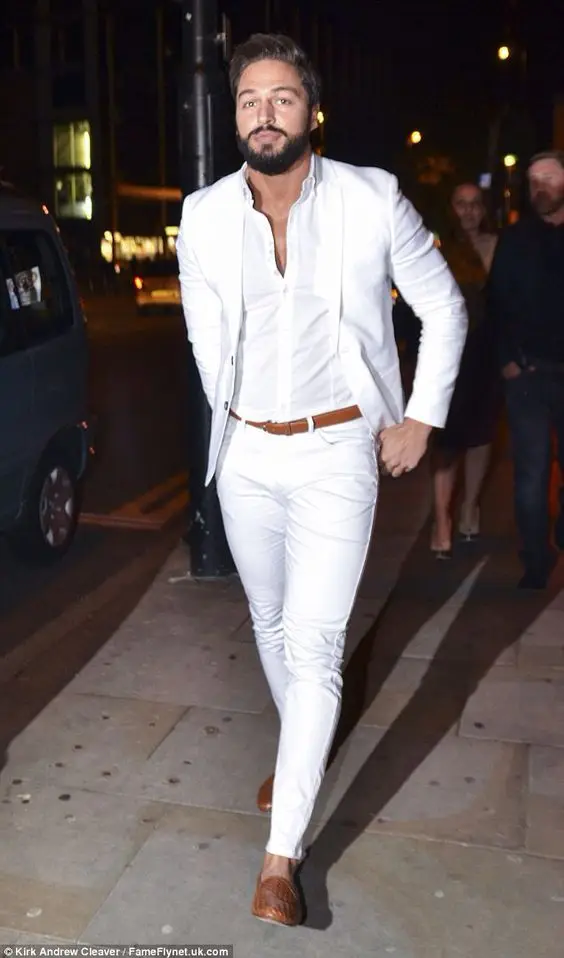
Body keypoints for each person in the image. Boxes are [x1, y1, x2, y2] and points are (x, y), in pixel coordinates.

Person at [177, 33, 467, 926]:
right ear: (235, 117)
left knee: (313, 645)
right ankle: (303, 749)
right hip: (247, 455)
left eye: (282, 97)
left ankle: (281, 859)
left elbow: (444, 305)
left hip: (339, 450)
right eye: (249, 99)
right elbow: (204, 339)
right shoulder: (203, 214)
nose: (264, 113)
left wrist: (420, 418)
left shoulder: (371, 198)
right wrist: (234, 429)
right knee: (269, 622)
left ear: (312, 110)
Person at [488, 150, 564, 589]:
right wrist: (507, 360)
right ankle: (536, 558)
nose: (540, 186)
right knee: (532, 473)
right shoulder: (516, 240)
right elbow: (497, 302)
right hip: (529, 375)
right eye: (534, 180)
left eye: (549, 177)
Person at [430, 183, 500, 558]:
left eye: (475, 204)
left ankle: (470, 506)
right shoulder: (438, 250)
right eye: (461, 204)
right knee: (446, 438)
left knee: (482, 433)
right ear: (451, 209)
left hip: (488, 354)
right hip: (450, 353)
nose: (469, 211)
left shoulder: (501, 246)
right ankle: (442, 517)